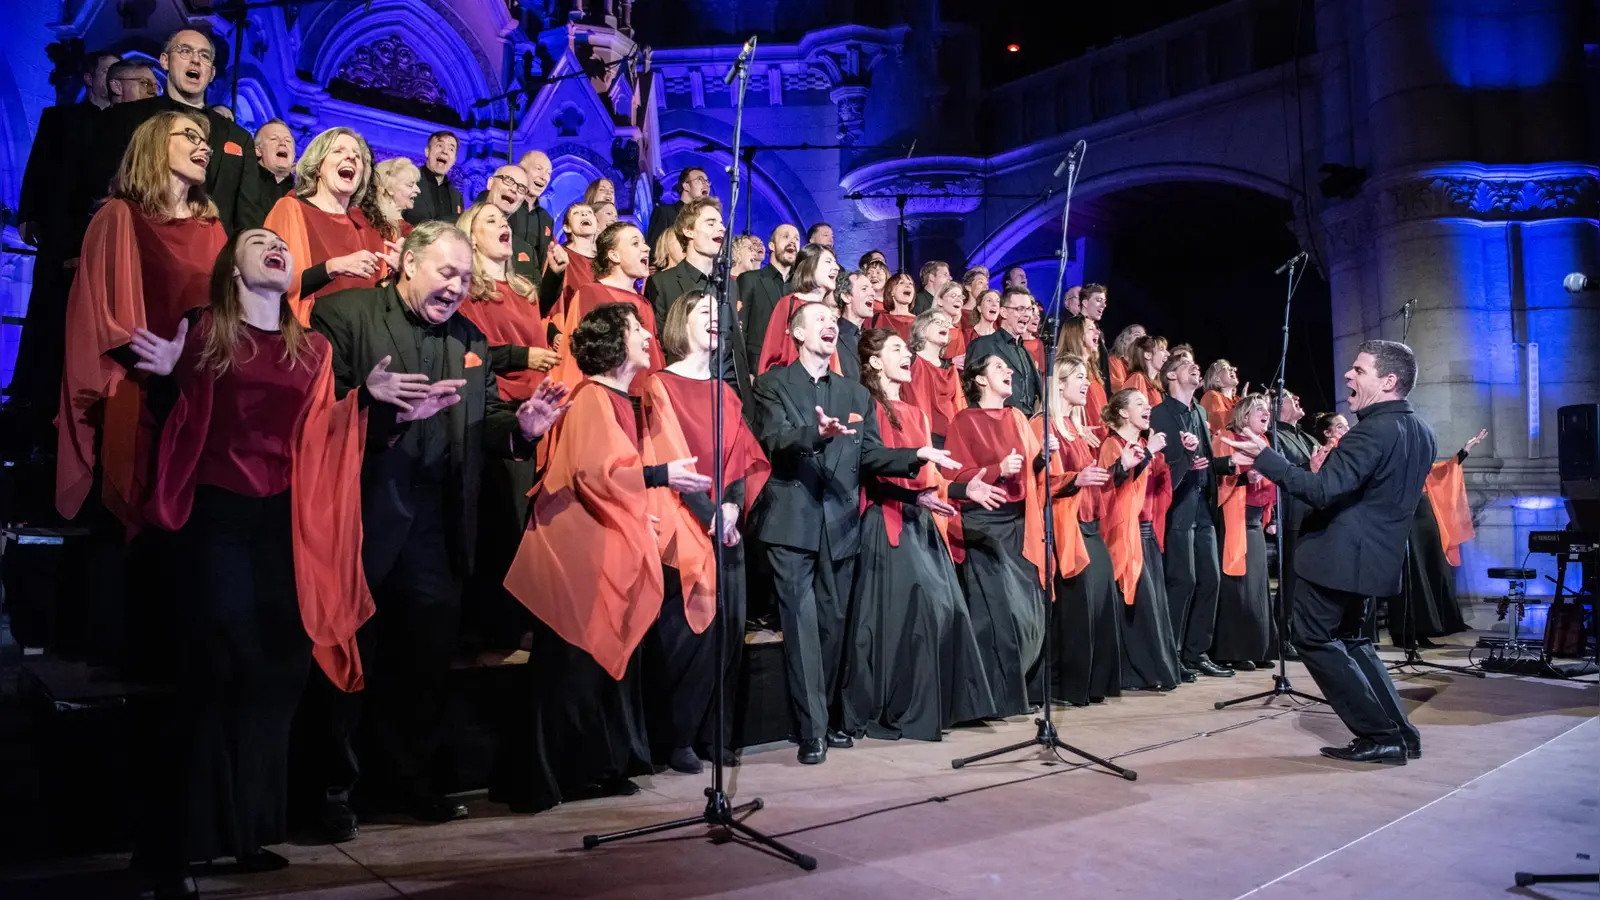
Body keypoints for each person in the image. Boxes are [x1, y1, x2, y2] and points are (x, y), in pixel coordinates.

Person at [135, 228, 388, 899]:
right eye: (256, 240)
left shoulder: (315, 350)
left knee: (276, 668)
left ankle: (242, 832)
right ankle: (172, 850)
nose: (272, 245)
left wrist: (371, 403)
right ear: (232, 266)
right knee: (214, 670)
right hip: (213, 516)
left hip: (281, 522)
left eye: (280, 241)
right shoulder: (202, 331)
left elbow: (325, 436)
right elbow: (178, 415)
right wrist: (163, 380)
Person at [306, 221, 569, 837]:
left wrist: (521, 429)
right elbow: (312, 415)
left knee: (422, 666)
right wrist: (371, 404)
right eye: (445, 273)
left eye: (464, 277)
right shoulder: (343, 315)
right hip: (360, 518)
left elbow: (483, 425)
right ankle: (330, 790)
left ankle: (408, 782)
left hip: (437, 525)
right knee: (348, 662)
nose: (456, 286)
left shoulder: (469, 337)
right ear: (407, 263)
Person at [501, 302, 709, 811]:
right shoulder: (593, 396)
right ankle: (542, 780)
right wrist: (660, 478)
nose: (647, 334)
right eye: (635, 328)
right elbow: (597, 475)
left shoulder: (623, 398)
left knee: (596, 671)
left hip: (605, 549)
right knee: (567, 671)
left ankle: (593, 768)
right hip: (576, 555)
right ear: (612, 343)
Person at [750, 301, 953, 764]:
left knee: (832, 626)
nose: (828, 324)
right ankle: (812, 731)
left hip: (840, 525)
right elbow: (777, 440)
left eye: (831, 320)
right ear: (797, 334)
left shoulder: (855, 394)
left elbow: (871, 457)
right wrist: (816, 435)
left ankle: (827, 715)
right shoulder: (772, 384)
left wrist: (916, 456)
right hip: (792, 522)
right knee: (800, 627)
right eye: (817, 319)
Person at [1225, 340, 1436, 765]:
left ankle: (1379, 734)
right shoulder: (1421, 431)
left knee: (1312, 637)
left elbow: (1321, 491)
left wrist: (1266, 458)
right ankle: (1400, 733)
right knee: (1355, 642)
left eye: (1359, 370)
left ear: (1389, 380)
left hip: (1340, 558)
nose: (1348, 376)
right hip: (1374, 559)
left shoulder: (1373, 430)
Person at [57, 110, 230, 530]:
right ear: (154, 144)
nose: (204, 146)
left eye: (204, 140)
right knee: (127, 535)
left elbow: (228, 313)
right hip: (138, 388)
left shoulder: (213, 227)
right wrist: (161, 362)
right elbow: (97, 316)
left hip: (198, 394)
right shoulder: (120, 215)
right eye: (189, 135)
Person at [842, 328, 996, 741]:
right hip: (887, 517)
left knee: (948, 608)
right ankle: (903, 706)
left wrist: (963, 490)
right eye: (895, 348)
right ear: (874, 362)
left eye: (906, 349)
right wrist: (915, 497)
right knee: (914, 612)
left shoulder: (916, 413)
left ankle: (947, 706)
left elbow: (930, 478)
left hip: (921, 521)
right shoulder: (865, 405)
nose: (906, 353)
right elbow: (866, 470)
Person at [641, 290, 770, 773]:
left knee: (729, 632)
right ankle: (676, 738)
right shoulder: (659, 386)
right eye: (704, 313)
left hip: (726, 526)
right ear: (681, 322)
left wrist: (732, 507)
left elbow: (740, 457)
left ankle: (715, 733)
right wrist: (709, 512)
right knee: (687, 636)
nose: (716, 321)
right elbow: (664, 454)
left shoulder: (727, 391)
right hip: (683, 522)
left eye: (720, 316)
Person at [452, 202, 562, 650]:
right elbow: (468, 351)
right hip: (500, 412)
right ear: (471, 236)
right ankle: (497, 625)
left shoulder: (522, 288)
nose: (504, 226)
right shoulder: (469, 291)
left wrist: (554, 275)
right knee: (506, 522)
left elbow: (539, 324)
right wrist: (523, 357)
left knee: (535, 522)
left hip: (540, 410)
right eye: (491, 220)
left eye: (505, 220)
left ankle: (528, 614)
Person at [8, 50, 120, 438]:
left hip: (104, 232)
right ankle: (33, 402)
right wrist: (29, 213)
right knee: (49, 312)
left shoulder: (124, 124)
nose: (113, 79)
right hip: (61, 229)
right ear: (90, 78)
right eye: (108, 72)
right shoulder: (59, 118)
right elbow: (39, 165)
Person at [943, 352, 1047, 717]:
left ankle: (1022, 689)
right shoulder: (965, 420)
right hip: (986, 526)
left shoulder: (1018, 416)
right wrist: (995, 469)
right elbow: (955, 477)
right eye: (999, 367)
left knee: (1029, 614)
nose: (1009, 372)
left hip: (1020, 525)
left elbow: (1032, 466)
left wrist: (1043, 458)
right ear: (980, 380)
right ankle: (997, 699)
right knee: (1000, 616)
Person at [86, 29, 263, 236]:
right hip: (141, 248)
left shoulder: (238, 138)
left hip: (215, 259)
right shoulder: (126, 118)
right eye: (185, 51)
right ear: (164, 61)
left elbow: (248, 216)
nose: (195, 60)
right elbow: (100, 187)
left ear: (212, 73)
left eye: (204, 56)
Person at [1042, 354, 1121, 706]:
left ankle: (1094, 684)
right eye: (1078, 376)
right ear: (1059, 384)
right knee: (1078, 609)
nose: (1086, 382)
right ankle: (1068, 685)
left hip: (1091, 523)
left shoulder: (1077, 430)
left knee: (1102, 602)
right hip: (1067, 524)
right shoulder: (1046, 427)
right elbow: (1046, 480)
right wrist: (1077, 479)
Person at [1149, 355, 1233, 678]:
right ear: (1170, 374)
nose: (1195, 366)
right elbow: (1160, 468)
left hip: (1202, 505)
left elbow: (1207, 460)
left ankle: (1196, 652)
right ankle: (1171, 655)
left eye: (1196, 363)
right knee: (1182, 580)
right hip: (1178, 505)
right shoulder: (1159, 414)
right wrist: (1186, 460)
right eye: (1186, 363)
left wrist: (1228, 466)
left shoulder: (1199, 411)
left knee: (1210, 578)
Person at [263, 127, 393, 326]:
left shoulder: (366, 228)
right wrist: (331, 268)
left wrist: (403, 272)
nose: (351, 157)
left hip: (359, 340)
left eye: (356, 155)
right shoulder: (290, 209)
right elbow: (272, 284)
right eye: (338, 151)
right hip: (308, 338)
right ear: (317, 166)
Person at [1098, 389, 1182, 691]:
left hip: (1145, 532)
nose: (1148, 408)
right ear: (1122, 413)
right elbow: (1111, 487)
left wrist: (1182, 455)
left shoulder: (1144, 443)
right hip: (1124, 533)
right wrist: (1147, 455)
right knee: (1136, 604)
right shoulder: (1112, 444)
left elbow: (1159, 485)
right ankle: (1137, 672)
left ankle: (1160, 668)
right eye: (1139, 404)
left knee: (1153, 605)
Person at [1389, 429, 1486, 648]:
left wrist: (1465, 451)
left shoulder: (1421, 466)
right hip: (1406, 524)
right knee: (1410, 579)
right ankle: (1402, 633)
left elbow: (1444, 471)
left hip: (1427, 525)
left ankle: (1424, 631)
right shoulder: (1394, 463)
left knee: (1432, 574)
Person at [643, 198, 750, 394]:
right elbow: (661, 345)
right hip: (687, 390)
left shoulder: (730, 285)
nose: (721, 229)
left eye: (720, 223)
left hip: (731, 391)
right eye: (710, 223)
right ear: (688, 230)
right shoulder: (662, 283)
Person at [548, 222, 664, 394]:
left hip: (641, 398)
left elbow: (653, 359)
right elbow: (575, 356)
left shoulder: (644, 303)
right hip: (602, 397)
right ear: (614, 255)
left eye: (644, 242)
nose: (646, 248)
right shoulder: (590, 294)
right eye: (635, 243)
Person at [1211, 394, 1277, 670]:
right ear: (1244, 414)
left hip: (1255, 521)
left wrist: (1270, 516)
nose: (1266, 414)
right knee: (1238, 587)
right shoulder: (1226, 439)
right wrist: (1242, 476)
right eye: (1259, 409)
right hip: (1232, 518)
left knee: (1257, 587)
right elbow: (1213, 481)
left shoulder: (1264, 443)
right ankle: (1234, 651)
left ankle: (1258, 647)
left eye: (1268, 410)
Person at [756, 244, 840, 373]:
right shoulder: (788, 304)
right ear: (810, 266)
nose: (836, 268)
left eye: (835, 263)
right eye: (828, 262)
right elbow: (770, 353)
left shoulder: (828, 311)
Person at [965, 287, 1041, 416]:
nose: (1027, 314)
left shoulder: (1025, 352)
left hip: (1025, 426)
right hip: (995, 423)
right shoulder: (983, 345)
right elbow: (971, 391)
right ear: (1004, 312)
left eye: (1029, 309)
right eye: (1020, 309)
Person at [738, 223, 799, 372]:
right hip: (758, 370)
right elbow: (740, 332)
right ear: (771, 245)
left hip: (794, 371)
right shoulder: (750, 279)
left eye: (797, 239)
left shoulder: (800, 286)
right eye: (786, 237)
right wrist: (745, 373)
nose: (792, 241)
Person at [905, 310, 965, 448]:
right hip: (920, 438)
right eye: (937, 322)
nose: (944, 326)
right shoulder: (910, 362)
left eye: (945, 323)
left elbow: (959, 405)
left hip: (950, 440)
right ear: (922, 329)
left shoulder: (950, 369)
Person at [405, 131, 463, 225]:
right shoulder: (410, 181)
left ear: (454, 160)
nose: (445, 151)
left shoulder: (457, 196)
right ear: (427, 151)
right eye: (440, 145)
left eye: (451, 149)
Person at [647, 165, 711, 249]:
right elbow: (654, 249)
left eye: (707, 181)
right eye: (700, 180)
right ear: (686, 186)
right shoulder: (665, 212)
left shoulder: (704, 218)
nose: (706, 185)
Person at [555, 202, 599, 322]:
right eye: (577, 213)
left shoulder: (604, 260)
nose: (585, 213)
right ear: (567, 227)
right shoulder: (560, 255)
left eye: (590, 212)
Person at [835, 269, 875, 382]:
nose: (872, 293)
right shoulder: (833, 334)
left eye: (872, 288)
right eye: (864, 289)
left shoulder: (872, 338)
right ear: (847, 297)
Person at [373, 157, 421, 238]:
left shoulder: (408, 231)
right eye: (410, 185)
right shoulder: (368, 223)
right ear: (389, 188)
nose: (418, 190)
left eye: (416, 184)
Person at [253, 119, 297, 204]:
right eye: (274, 139)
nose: (283, 143)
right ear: (258, 150)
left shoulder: (303, 195)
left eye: (288, 140)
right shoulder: (243, 183)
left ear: (294, 155)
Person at [932, 281, 970, 367]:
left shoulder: (958, 331)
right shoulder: (931, 327)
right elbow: (925, 359)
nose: (959, 300)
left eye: (960, 297)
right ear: (940, 301)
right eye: (953, 296)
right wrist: (949, 363)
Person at [1201, 359, 1241, 436]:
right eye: (1224, 367)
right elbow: (1220, 423)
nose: (1233, 369)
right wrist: (1243, 410)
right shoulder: (1211, 396)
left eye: (1231, 367)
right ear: (1217, 379)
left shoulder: (1238, 400)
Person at [875, 272, 918, 341]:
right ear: (892, 291)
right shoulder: (879, 318)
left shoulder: (920, 322)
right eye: (901, 283)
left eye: (910, 283)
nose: (908, 285)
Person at [1108, 325, 1145, 392]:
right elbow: (1117, 389)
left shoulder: (1143, 363)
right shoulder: (1115, 360)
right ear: (1125, 340)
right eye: (1137, 335)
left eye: (1144, 335)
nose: (1142, 339)